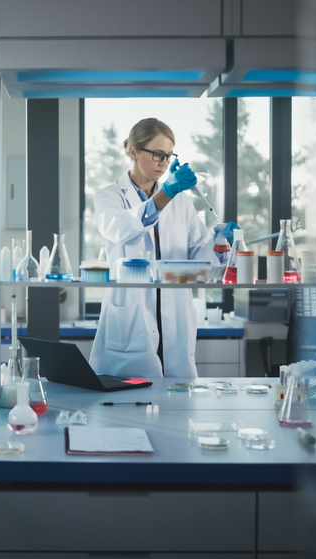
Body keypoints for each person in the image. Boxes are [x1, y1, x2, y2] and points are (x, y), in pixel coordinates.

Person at [89, 118, 236, 379]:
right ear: (134, 151)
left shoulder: (182, 202)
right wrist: (167, 192)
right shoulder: (109, 196)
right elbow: (121, 229)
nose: (164, 163)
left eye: (168, 156)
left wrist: (220, 242)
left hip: (175, 316)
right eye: (157, 154)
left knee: (178, 408)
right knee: (125, 405)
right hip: (130, 318)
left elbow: (200, 261)